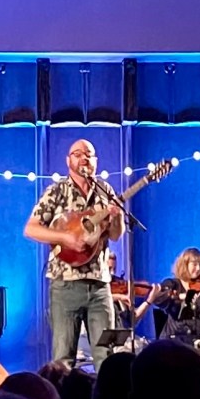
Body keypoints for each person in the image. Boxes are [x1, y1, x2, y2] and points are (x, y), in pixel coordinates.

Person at [24, 139, 124, 371]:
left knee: (106, 355)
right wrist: (65, 238)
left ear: (96, 161)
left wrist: (117, 216)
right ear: (68, 161)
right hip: (65, 285)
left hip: (99, 285)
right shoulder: (57, 191)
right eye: (77, 154)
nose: (84, 158)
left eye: (88, 154)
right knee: (63, 359)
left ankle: (105, 395)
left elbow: (116, 235)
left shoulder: (105, 191)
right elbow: (31, 229)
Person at [146, 248, 200, 344]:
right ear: (185, 265)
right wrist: (179, 296)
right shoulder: (173, 284)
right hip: (174, 338)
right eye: (194, 264)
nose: (199, 268)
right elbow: (158, 299)